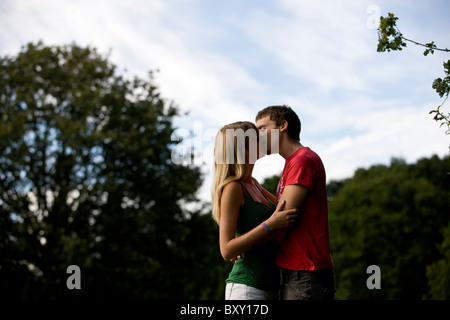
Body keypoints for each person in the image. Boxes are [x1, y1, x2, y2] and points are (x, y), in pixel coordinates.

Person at [255, 105, 336, 300]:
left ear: (283, 125)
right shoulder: (292, 162)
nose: (258, 136)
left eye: (262, 128)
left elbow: (282, 219)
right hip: (298, 271)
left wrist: (239, 246)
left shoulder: (302, 161)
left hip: (306, 272)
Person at [211, 121, 299, 300]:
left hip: (271, 286)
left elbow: (285, 213)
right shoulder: (233, 188)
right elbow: (226, 250)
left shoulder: (254, 184)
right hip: (246, 288)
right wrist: (269, 225)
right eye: (257, 138)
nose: (264, 140)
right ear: (242, 147)